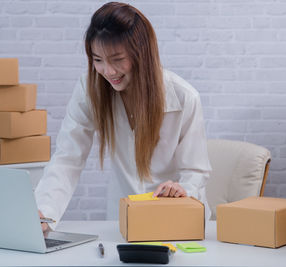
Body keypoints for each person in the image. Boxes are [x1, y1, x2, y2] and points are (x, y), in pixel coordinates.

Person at [35, 2, 211, 232]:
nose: (108, 71)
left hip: (176, 218)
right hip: (124, 221)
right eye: (98, 60)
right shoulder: (90, 90)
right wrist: (44, 213)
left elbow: (196, 170)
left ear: (142, 54)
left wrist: (182, 189)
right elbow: (68, 158)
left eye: (117, 59)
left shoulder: (184, 97)